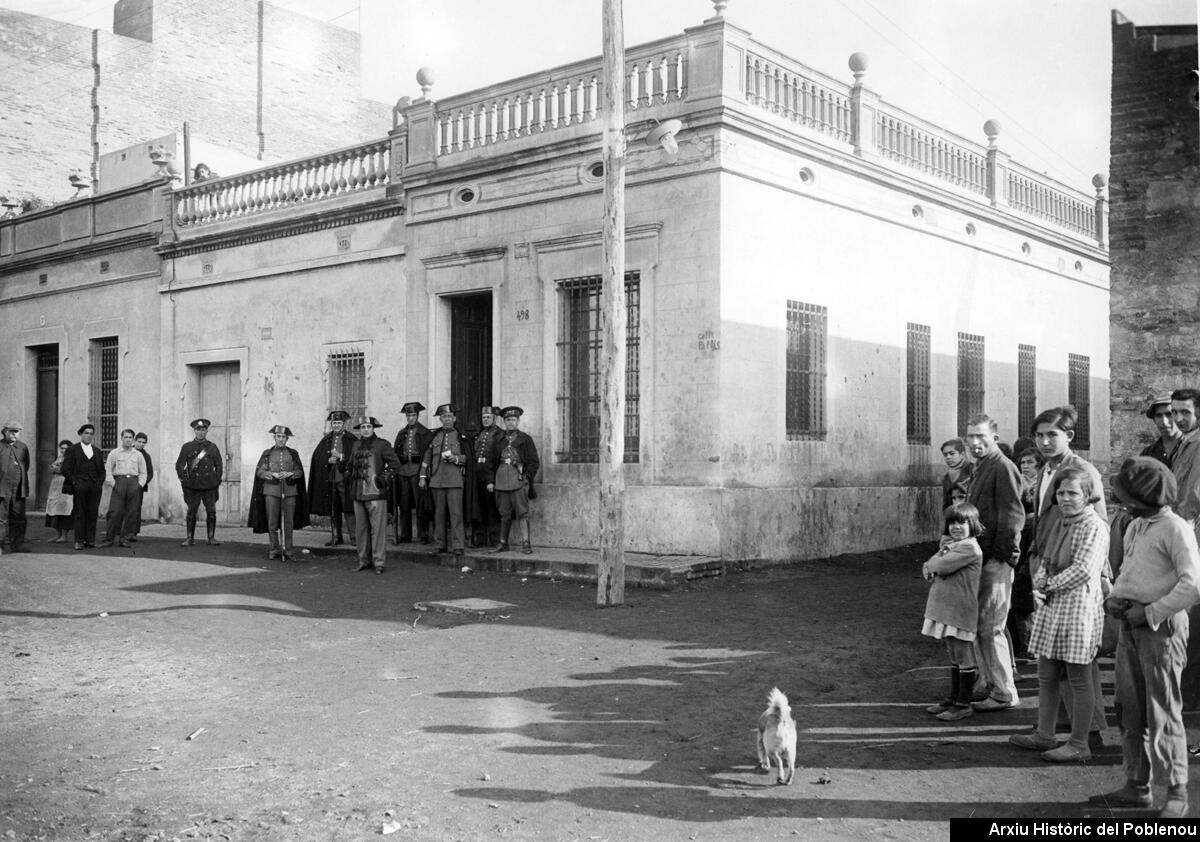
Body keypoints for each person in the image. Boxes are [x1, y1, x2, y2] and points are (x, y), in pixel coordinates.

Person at [1089, 457, 1200, 818]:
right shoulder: (1137, 525)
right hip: (1130, 628)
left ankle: (1176, 794)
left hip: (1161, 631)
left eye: (1129, 496)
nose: (1123, 502)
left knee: (1163, 712)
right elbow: (1129, 570)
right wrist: (1115, 599)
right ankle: (1137, 784)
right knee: (1129, 709)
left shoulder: (1175, 528)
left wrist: (1151, 612)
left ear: (1147, 497)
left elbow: (1193, 585)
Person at [1008, 466, 1109, 762]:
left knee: (1078, 677)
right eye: (1061, 492)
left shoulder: (1093, 525)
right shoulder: (1062, 522)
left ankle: (1079, 743)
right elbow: (1046, 559)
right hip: (1052, 604)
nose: (1065, 498)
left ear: (1087, 495)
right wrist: (1039, 582)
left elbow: (1084, 569)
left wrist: (1048, 585)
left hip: (1078, 607)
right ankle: (1044, 734)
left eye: (1073, 493)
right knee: (1047, 673)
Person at [1030, 405, 1109, 741]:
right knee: (1053, 661)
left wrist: (1100, 574)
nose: (1045, 441)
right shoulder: (1046, 469)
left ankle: (1087, 731)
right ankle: (1055, 728)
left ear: (1069, 437)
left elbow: (1099, 521)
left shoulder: (1081, 470)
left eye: (1053, 435)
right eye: (1040, 435)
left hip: (1076, 575)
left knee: (1079, 665)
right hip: (1047, 561)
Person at [962, 413, 1024, 712]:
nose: (974, 443)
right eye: (970, 437)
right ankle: (988, 683)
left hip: (995, 562)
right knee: (979, 626)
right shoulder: (981, 467)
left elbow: (1013, 517)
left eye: (981, 437)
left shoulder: (1003, 467)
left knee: (991, 627)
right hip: (981, 559)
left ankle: (1004, 692)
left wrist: (1003, 559)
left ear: (994, 438)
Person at [922, 502, 984, 722]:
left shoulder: (969, 547)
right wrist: (935, 560)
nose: (956, 527)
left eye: (962, 523)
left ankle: (963, 703)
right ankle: (953, 697)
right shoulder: (953, 545)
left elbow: (938, 566)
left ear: (973, 525)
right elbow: (927, 568)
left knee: (963, 654)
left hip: (959, 609)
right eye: (952, 523)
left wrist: (936, 560)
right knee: (954, 654)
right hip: (946, 608)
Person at [248, 425, 310, 561]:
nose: (281, 439)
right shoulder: (267, 454)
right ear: (274, 438)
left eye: (283, 437)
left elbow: (299, 472)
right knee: (272, 523)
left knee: (288, 523)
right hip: (271, 491)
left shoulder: (293, 454)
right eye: (278, 437)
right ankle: (274, 549)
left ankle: (288, 550)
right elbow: (260, 472)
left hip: (289, 492)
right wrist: (272, 474)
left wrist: (290, 473)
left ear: (287, 439)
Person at [349, 415, 401, 574]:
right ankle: (363, 560)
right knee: (361, 529)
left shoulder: (382, 445)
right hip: (358, 493)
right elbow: (351, 465)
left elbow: (395, 464)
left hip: (376, 492)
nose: (365, 430)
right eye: (363, 427)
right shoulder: (355, 445)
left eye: (368, 427)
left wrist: (383, 479)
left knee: (377, 530)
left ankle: (379, 562)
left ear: (373, 428)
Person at [488, 406, 541, 554]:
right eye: (508, 420)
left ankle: (526, 543)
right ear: (504, 422)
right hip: (501, 482)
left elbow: (533, 462)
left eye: (513, 420)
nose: (511, 422)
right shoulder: (497, 439)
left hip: (518, 482)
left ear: (518, 421)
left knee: (523, 513)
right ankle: (503, 543)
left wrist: (526, 478)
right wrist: (490, 481)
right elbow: (491, 462)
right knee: (504, 514)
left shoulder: (525, 439)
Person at [1010, 446, 1045, 660]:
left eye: (1030, 462)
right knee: (1020, 592)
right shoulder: (1017, 482)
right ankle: (1023, 641)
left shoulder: (1041, 484)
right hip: (1021, 531)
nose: (1025, 467)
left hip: (1036, 531)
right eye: (1023, 463)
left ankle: (1034, 641)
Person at [419, 403, 469, 555]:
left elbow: (467, 458)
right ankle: (440, 544)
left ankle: (458, 546)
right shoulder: (434, 436)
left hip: (454, 481)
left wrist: (456, 458)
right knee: (438, 515)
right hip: (437, 481)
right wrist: (422, 476)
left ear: (454, 418)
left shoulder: (461, 437)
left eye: (449, 416)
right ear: (440, 419)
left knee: (456, 514)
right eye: (444, 416)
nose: (446, 419)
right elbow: (426, 458)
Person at [308, 410, 357, 547]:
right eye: (334, 422)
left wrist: (342, 456)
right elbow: (317, 457)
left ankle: (354, 537)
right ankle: (336, 536)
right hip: (331, 479)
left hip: (345, 480)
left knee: (348, 508)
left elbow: (356, 457)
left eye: (339, 422)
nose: (336, 425)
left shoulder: (351, 439)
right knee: (333, 509)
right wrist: (327, 460)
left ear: (344, 423)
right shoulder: (326, 439)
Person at [175, 418, 223, 547]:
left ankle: (211, 537)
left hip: (209, 485)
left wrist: (216, 480)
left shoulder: (212, 447)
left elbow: (219, 465)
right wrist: (184, 479)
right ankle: (189, 538)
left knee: (211, 511)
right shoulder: (187, 447)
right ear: (194, 431)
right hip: (193, 485)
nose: (200, 432)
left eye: (203, 430)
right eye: (198, 430)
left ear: (207, 431)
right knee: (191, 512)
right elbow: (180, 465)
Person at [98, 428, 147, 548]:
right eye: (125, 437)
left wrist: (139, 485)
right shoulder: (114, 453)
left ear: (133, 440)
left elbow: (143, 472)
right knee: (114, 511)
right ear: (121, 438)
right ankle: (109, 539)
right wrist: (113, 484)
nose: (128, 440)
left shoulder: (138, 455)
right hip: (119, 481)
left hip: (133, 483)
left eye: (130, 438)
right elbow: (108, 469)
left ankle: (124, 538)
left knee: (131, 512)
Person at [393, 401, 432, 543]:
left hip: (417, 472)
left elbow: (428, 454)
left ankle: (423, 534)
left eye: (413, 415)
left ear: (418, 416)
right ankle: (405, 534)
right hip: (403, 472)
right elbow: (395, 452)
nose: (410, 418)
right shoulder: (402, 433)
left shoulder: (425, 433)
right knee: (404, 504)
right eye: (408, 415)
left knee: (420, 504)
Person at [63, 423, 106, 549]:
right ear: (80, 434)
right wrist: (75, 482)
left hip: (95, 486)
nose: (89, 436)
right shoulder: (72, 450)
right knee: (79, 512)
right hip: (79, 485)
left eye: (91, 434)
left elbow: (102, 471)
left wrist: (99, 483)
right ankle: (79, 540)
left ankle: (90, 540)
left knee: (92, 512)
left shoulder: (97, 451)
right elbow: (65, 469)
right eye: (86, 433)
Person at [467, 405, 504, 548]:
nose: (486, 420)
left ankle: (495, 541)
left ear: (494, 418)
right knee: (479, 509)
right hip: (478, 478)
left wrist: (492, 480)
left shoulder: (500, 435)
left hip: (492, 479)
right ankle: (480, 539)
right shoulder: (480, 434)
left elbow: (497, 459)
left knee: (492, 510)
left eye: (488, 417)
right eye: (484, 417)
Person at [0, 419, 31, 554]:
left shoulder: (23, 447)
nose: (14, 434)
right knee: (1, 518)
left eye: (17, 432)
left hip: (19, 488)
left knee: (19, 518)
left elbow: (26, 465)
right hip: (2, 487)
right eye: (11, 431)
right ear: (4, 432)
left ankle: (17, 545)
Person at [44, 439, 74, 543]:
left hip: (65, 486)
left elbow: (65, 470)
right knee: (53, 509)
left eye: (66, 448)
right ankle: (58, 534)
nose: (64, 450)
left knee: (64, 509)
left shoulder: (72, 459)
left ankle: (64, 536)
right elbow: (50, 469)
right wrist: (56, 469)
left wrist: (57, 469)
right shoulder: (59, 458)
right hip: (55, 486)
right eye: (62, 448)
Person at [1142, 394, 1183, 467]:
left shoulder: (1194, 449)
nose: (1164, 421)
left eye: (1169, 414)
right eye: (1158, 415)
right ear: (1154, 420)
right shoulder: (1148, 454)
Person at [132, 432, 154, 539]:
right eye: (139, 441)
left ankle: (133, 533)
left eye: (143, 443)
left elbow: (150, 473)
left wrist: (141, 483)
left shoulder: (146, 456)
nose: (141, 444)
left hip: (138, 487)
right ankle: (121, 531)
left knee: (136, 509)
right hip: (124, 485)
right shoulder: (127, 452)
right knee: (122, 509)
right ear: (134, 441)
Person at [940, 438, 971, 511]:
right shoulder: (947, 477)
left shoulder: (974, 471)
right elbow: (946, 504)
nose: (948, 457)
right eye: (945, 455)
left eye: (952, 453)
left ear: (962, 454)